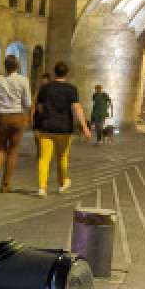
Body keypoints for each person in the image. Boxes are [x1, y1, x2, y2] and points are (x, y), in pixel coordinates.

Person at [33, 61, 91, 197]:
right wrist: (85, 127)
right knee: (62, 157)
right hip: (64, 128)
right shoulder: (71, 89)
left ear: (54, 72)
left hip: (46, 127)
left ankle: (42, 188)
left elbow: (39, 108)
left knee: (44, 158)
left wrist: (38, 125)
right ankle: (62, 184)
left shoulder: (45, 88)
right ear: (66, 73)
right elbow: (77, 109)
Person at [0, 55, 31, 193]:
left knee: (0, 148)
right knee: (13, 150)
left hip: (2, 116)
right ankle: (6, 183)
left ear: (4, 66)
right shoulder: (23, 80)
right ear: (17, 66)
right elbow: (28, 103)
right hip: (17, 116)